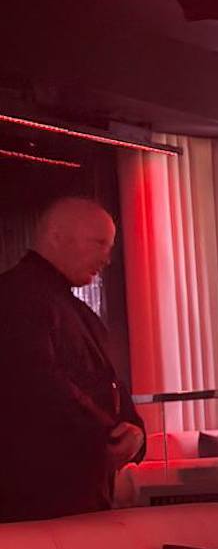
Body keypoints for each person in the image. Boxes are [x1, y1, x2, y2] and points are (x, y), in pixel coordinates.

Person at [0, 197, 145, 522]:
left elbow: (110, 385)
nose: (107, 258)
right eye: (99, 243)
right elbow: (38, 383)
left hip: (72, 498)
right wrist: (112, 434)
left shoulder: (74, 309)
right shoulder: (14, 297)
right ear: (56, 236)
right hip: (36, 503)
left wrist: (134, 432)